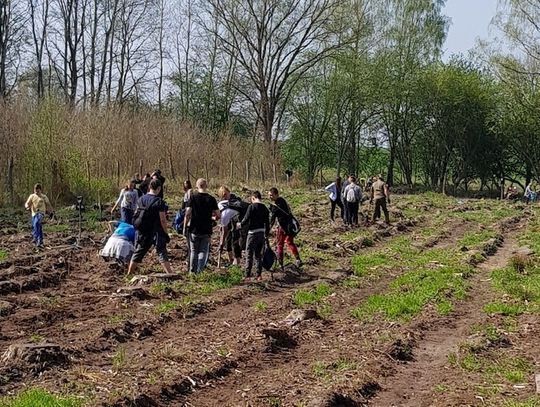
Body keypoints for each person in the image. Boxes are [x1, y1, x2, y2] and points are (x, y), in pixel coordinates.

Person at [127, 179, 173, 275]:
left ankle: (129, 273)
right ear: (159, 188)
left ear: (149, 187)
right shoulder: (159, 202)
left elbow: (136, 213)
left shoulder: (141, 199)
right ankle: (169, 273)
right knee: (161, 251)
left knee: (139, 252)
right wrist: (166, 233)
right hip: (156, 231)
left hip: (143, 230)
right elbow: (163, 220)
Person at [185, 178, 220, 274]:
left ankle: (192, 272)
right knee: (203, 251)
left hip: (194, 228)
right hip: (207, 228)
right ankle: (200, 271)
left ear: (197, 186)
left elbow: (187, 213)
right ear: (206, 186)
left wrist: (185, 226)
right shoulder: (211, 199)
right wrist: (213, 218)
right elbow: (218, 215)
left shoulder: (192, 197)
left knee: (193, 251)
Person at [268, 187, 302, 270]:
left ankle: (281, 265)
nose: (270, 197)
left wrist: (268, 229)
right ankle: (298, 260)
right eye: (269, 195)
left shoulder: (275, 206)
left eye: (271, 195)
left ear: (276, 194)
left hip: (282, 227)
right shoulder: (283, 200)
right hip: (290, 226)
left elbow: (272, 219)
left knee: (280, 245)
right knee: (290, 242)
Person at [240, 191, 270, 280]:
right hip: (261, 233)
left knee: (249, 253)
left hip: (252, 233)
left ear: (253, 198)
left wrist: (239, 225)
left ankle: (247, 275)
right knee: (258, 255)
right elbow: (267, 224)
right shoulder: (265, 208)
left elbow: (246, 219)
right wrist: (266, 235)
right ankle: (258, 275)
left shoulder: (251, 207)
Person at [217, 186, 246, 266]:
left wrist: (221, 244)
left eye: (226, 194)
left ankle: (237, 262)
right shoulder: (224, 204)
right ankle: (232, 261)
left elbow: (224, 231)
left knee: (235, 240)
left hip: (241, 222)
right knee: (230, 240)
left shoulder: (224, 213)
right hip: (236, 221)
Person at [25, 183, 54, 248]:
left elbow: (48, 204)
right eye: (35, 191)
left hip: (41, 212)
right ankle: (40, 241)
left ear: (40, 190)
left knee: (36, 223)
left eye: (38, 191)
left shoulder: (44, 197)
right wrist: (27, 206)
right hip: (33, 213)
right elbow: (27, 203)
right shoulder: (32, 196)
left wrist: (51, 212)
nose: (36, 192)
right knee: (37, 226)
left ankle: (36, 238)